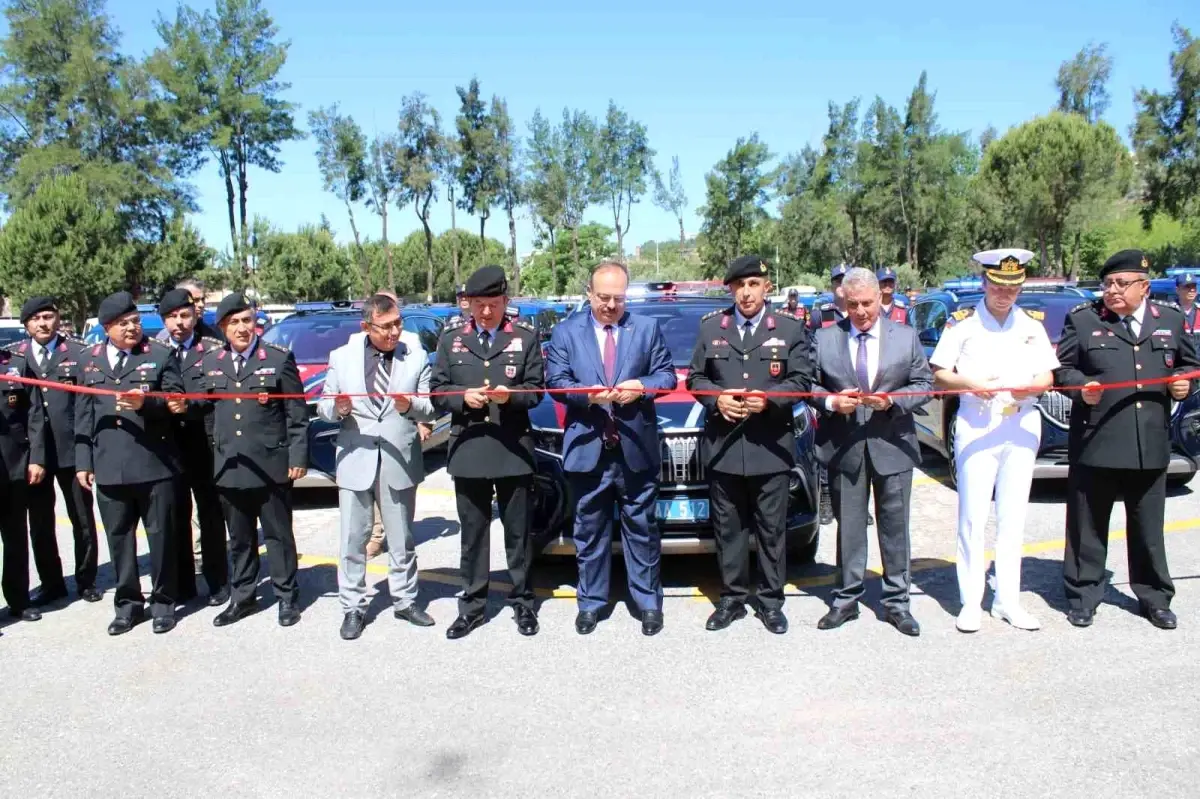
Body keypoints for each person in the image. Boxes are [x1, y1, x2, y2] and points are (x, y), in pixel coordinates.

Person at [1054, 249, 1198, 630]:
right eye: (1108, 284)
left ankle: (1154, 597)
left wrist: (1183, 383)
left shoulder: (1169, 319)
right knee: (1088, 526)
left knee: (1148, 527)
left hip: (1147, 442)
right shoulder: (1084, 321)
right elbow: (1062, 371)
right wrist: (1081, 387)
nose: (1112, 290)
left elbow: (1188, 364)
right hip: (1096, 439)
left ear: (1144, 287)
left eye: (1122, 283)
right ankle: (1084, 594)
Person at [929, 249, 1059, 632]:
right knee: (973, 516)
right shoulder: (964, 323)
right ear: (985, 282)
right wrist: (971, 383)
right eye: (999, 286)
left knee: (1013, 516)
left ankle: (1007, 600)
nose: (1006, 294)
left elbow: (1048, 377)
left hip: (1020, 424)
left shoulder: (1031, 325)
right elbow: (939, 373)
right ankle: (971, 601)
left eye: (1014, 287)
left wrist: (1029, 388)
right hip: (978, 422)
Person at [545, 261, 678, 636]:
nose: (610, 305)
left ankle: (648, 603)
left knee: (642, 530)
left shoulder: (646, 329)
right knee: (589, 532)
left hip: (635, 448)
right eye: (603, 297)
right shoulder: (566, 332)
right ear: (589, 294)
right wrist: (586, 395)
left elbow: (666, 375)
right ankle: (590, 603)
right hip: (589, 449)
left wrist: (642, 386)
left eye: (618, 298)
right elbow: (555, 381)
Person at [686, 254, 811, 634]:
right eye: (739, 286)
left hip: (769, 447)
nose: (746, 293)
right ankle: (733, 599)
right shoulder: (712, 328)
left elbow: (803, 380)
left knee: (772, 530)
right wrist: (715, 399)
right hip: (724, 448)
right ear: (730, 290)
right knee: (729, 530)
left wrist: (770, 399)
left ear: (766, 287)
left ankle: (771, 601)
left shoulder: (788, 329)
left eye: (753, 284)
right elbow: (695, 378)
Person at [807, 267, 933, 637]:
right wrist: (830, 401)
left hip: (893, 444)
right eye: (853, 304)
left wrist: (893, 401)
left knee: (896, 528)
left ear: (880, 298)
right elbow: (807, 385)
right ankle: (845, 599)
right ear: (842, 302)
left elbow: (924, 383)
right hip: (844, 445)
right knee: (849, 528)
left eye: (867, 303)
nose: (860, 311)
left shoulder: (906, 337)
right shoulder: (826, 338)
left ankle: (897, 602)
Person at [430, 265, 545, 640]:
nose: (485, 313)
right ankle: (473, 606)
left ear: (505, 302)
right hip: (469, 448)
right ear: (468, 304)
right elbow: (437, 391)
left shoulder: (526, 338)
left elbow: (537, 390)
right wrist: (462, 398)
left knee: (517, 533)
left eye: (493, 304)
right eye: (478, 305)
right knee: (473, 534)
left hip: (512, 447)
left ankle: (524, 602)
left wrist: (510, 396)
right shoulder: (451, 339)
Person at [317, 294, 439, 640]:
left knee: (401, 536)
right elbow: (323, 406)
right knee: (353, 538)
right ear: (366, 326)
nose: (394, 332)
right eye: (386, 327)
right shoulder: (341, 358)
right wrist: (338, 408)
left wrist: (410, 405)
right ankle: (353, 606)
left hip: (399, 456)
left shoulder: (415, 354)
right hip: (356, 457)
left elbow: (429, 408)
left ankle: (405, 600)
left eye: (398, 323)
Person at [75, 291, 186, 635]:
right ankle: (128, 605)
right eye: (123, 324)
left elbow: (175, 403)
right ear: (107, 327)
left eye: (135, 321)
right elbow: (83, 415)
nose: (132, 328)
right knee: (119, 539)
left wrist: (145, 405)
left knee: (161, 537)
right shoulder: (88, 360)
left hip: (154, 463)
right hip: (109, 465)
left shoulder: (160, 354)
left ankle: (164, 603)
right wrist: (83, 461)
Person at [201, 294, 307, 629]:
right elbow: (209, 414)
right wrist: (216, 449)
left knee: (278, 536)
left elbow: (297, 413)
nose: (242, 328)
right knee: (240, 538)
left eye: (246, 320)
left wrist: (297, 456)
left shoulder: (277, 359)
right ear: (222, 328)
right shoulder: (212, 362)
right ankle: (243, 597)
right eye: (233, 322)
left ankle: (286, 596)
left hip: (271, 464)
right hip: (230, 466)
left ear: (255, 321)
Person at [17, 296, 101, 606]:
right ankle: (52, 583)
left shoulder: (78, 354)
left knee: (82, 518)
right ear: (26, 324)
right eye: (36, 319)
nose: (43, 323)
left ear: (57, 318)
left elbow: (86, 407)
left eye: (48, 316)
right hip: (33, 455)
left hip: (72, 450)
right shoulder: (17, 357)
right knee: (40, 522)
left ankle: (86, 580)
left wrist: (86, 454)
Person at [158, 289, 229, 606]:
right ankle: (184, 583)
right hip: (168, 445)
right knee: (174, 515)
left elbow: (216, 391)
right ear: (164, 320)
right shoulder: (155, 350)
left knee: (211, 514)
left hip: (206, 441)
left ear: (195, 315)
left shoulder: (213, 348)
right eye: (172, 317)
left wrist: (189, 403)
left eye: (184, 315)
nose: (179, 323)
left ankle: (217, 581)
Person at [0, 340, 47, 623]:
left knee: (16, 536)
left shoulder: (16, 364)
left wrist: (37, 458)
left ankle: (18, 600)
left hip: (14, 463)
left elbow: (35, 414)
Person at [807, 264, 849, 330]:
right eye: (839, 281)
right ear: (832, 287)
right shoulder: (819, 315)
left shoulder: (859, 314)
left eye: (847, 281)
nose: (843, 285)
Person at [1175, 272, 1198, 343]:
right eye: (1187, 286)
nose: (1192, 290)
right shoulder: (1170, 311)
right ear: (1177, 290)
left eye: (1194, 286)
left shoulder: (1198, 310)